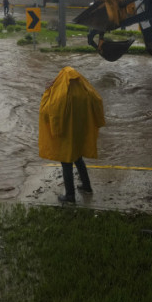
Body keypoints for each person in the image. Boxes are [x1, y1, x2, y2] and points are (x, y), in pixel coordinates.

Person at [38, 67, 106, 204]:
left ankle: (70, 196)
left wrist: (48, 91)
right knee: (79, 159)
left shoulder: (60, 96)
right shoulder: (85, 91)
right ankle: (86, 186)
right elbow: (97, 101)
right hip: (79, 133)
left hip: (65, 135)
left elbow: (46, 111)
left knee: (66, 163)